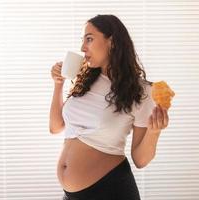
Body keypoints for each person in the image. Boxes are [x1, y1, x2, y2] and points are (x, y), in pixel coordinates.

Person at [49, 14, 169, 200]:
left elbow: (140, 159)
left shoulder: (140, 91)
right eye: (83, 40)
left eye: (89, 39)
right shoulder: (84, 80)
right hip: (71, 195)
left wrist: (154, 132)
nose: (82, 47)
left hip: (111, 191)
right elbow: (56, 127)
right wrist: (58, 84)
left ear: (111, 41)